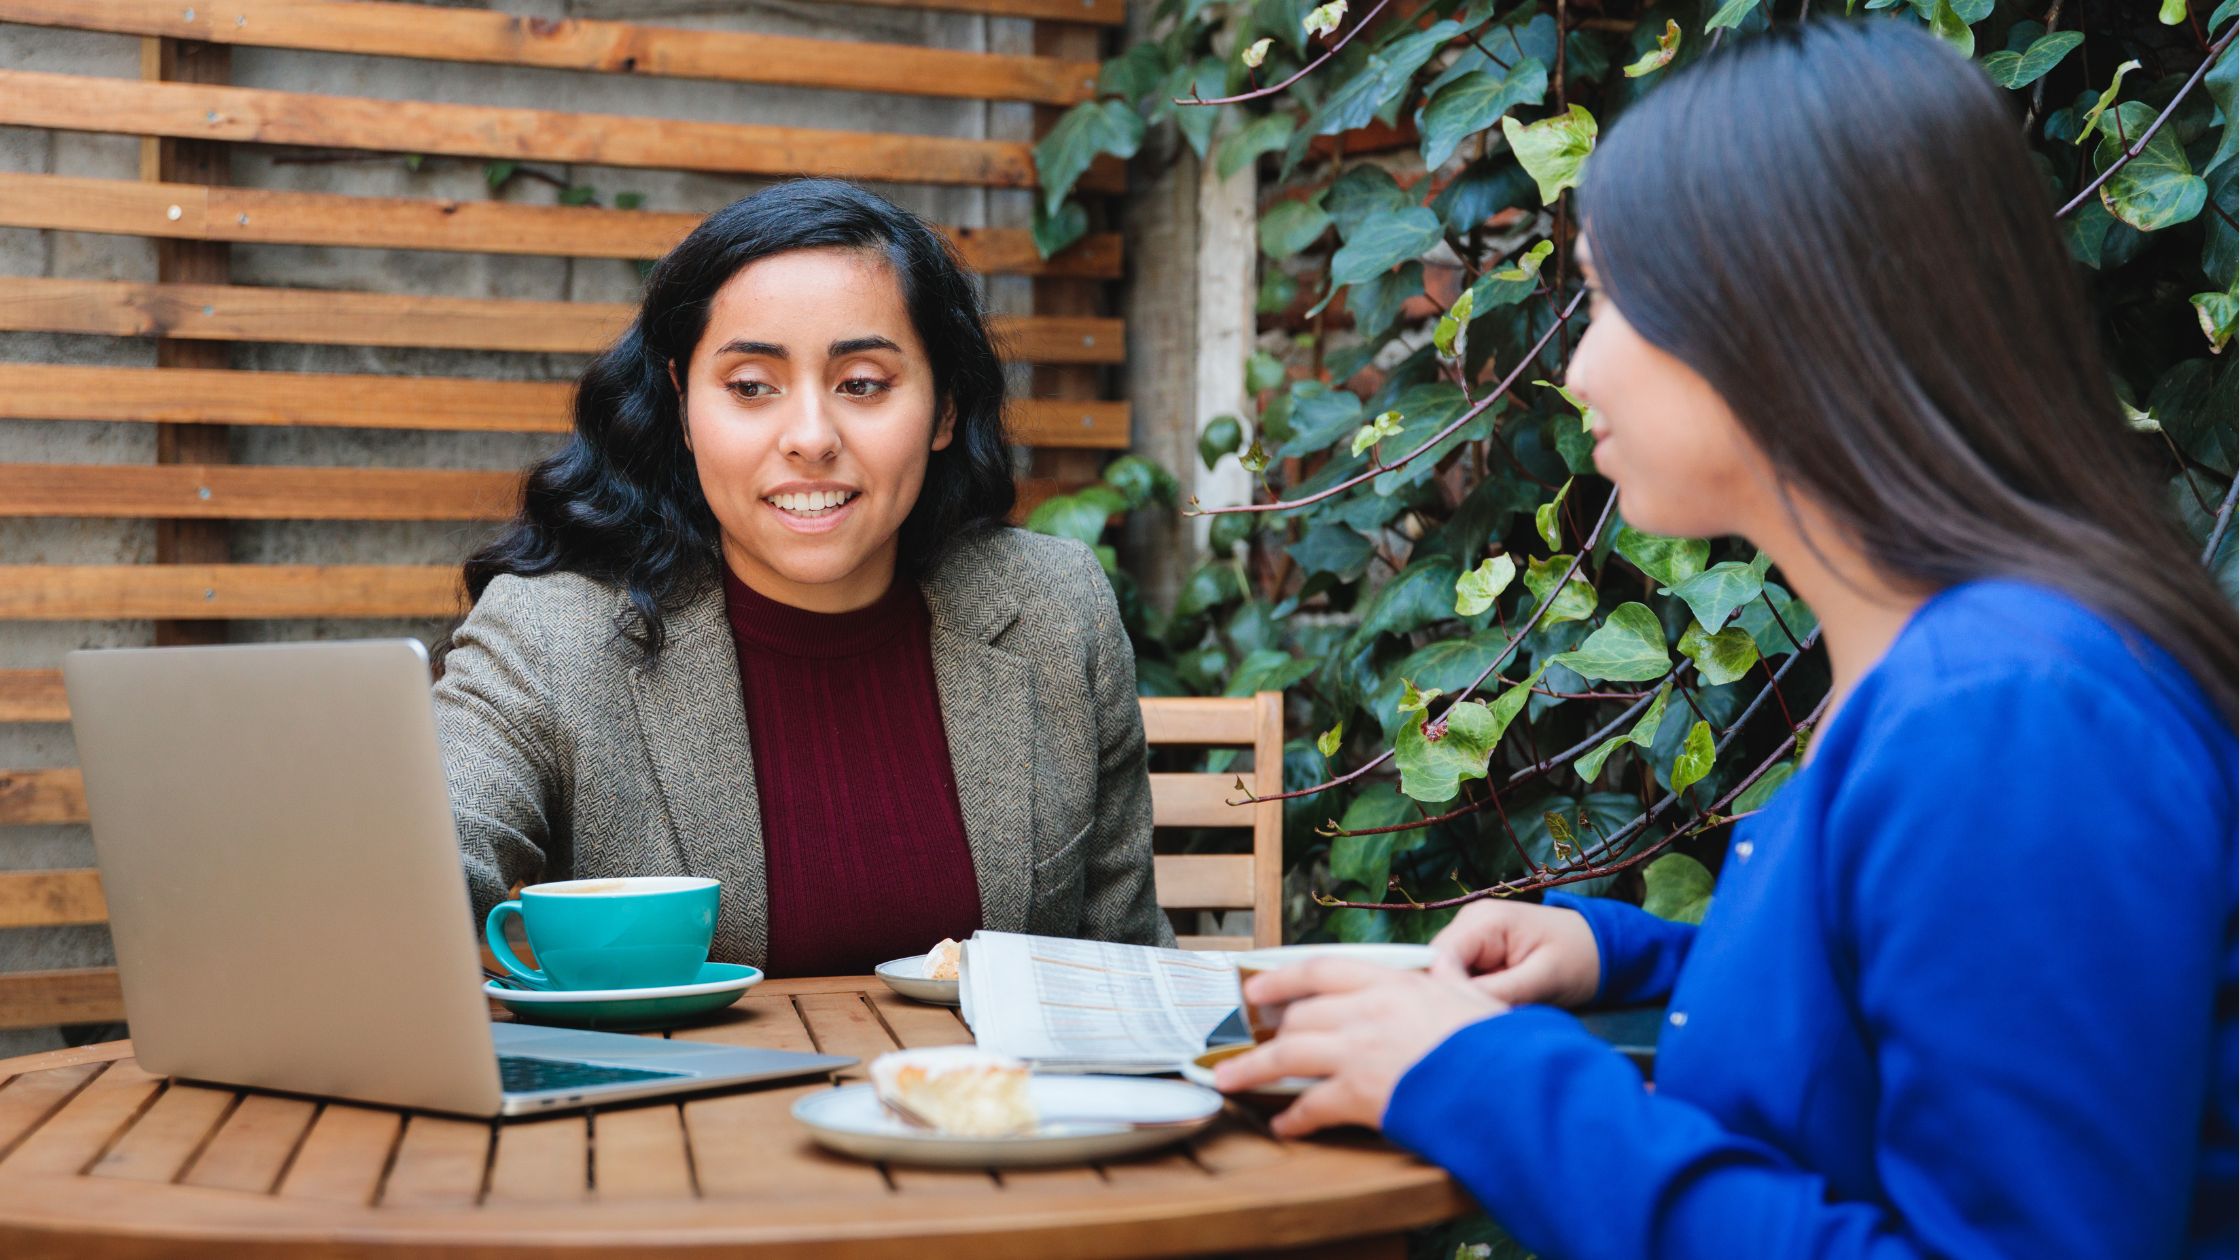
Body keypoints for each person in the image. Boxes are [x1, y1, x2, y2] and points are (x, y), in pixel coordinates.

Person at [1215, 19, 2237, 1259]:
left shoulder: (2006, 713)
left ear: (1781, 311)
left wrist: (1488, 1081)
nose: (1577, 370)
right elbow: (1917, 1010)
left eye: (1602, 298)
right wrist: (1624, 955)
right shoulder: (1975, 671)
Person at [433, 179, 1171, 977]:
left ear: (946, 408)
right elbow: (422, 854)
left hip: (977, 1102)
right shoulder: (550, 635)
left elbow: (1128, 970)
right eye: (751, 386)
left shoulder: (1054, 609)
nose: (811, 438)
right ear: (683, 406)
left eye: (862, 384)